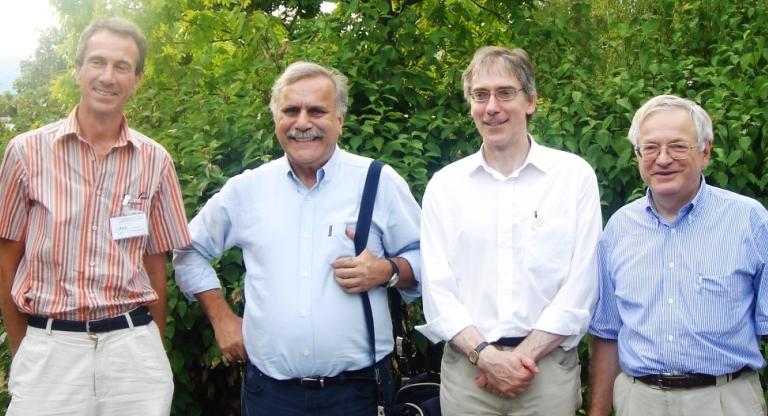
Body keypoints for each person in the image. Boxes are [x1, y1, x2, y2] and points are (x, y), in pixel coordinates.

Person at [173, 61, 421, 415]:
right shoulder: (246, 190)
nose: (302, 122)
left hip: (361, 393)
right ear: (277, 119)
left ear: (340, 119)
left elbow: (427, 257)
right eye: (291, 110)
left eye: (317, 111)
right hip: (269, 395)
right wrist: (222, 318)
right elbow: (188, 250)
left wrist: (388, 270)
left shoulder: (377, 182)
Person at [0, 17, 191, 415]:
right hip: (49, 349)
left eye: (122, 66)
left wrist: (150, 346)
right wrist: (26, 348)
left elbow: (156, 267)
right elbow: (6, 261)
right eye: (97, 62)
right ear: (78, 70)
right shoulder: (25, 153)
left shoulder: (155, 161)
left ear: (136, 80)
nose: (108, 76)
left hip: (132, 349)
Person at [416, 46, 603, 415]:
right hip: (469, 373)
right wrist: (487, 358)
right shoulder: (445, 186)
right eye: (480, 95)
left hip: (545, 374)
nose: (491, 107)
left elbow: (582, 284)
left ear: (531, 101)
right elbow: (437, 290)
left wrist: (519, 359)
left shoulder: (573, 177)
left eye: (505, 93)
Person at [588, 94, 768, 416]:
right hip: (639, 402)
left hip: (725, 401)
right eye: (650, 147)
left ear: (705, 152)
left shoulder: (751, 222)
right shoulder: (619, 228)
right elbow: (607, 333)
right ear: (638, 155)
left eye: (678, 146)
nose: (662, 159)